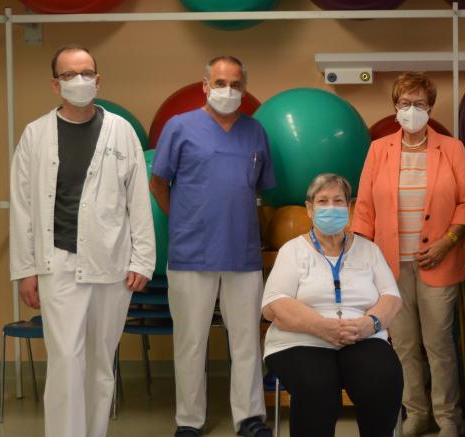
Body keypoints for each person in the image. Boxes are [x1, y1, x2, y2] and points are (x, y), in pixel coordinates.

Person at [10, 45, 155, 437]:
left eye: (86, 72)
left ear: (98, 79)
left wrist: (143, 260)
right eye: (70, 75)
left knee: (100, 363)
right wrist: (25, 271)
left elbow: (138, 199)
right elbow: (22, 206)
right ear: (56, 84)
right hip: (57, 263)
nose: (80, 81)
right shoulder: (35, 135)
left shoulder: (121, 131)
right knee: (65, 361)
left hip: (111, 261)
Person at [149, 56, 275, 437]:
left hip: (242, 253)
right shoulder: (179, 127)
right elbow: (158, 184)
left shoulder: (255, 131)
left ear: (245, 87)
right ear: (205, 85)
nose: (228, 91)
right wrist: (185, 220)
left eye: (236, 84)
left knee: (246, 341)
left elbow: (258, 189)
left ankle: (250, 418)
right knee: (190, 342)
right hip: (191, 254)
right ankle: (189, 420)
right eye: (220, 82)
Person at [353, 72, 465, 437]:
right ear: (395, 108)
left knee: (439, 344)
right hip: (390, 266)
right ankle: (416, 413)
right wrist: (363, 260)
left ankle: (448, 418)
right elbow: (363, 208)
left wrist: (448, 240)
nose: (412, 110)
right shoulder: (379, 150)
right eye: (406, 103)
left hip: (438, 263)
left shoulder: (451, 149)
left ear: (430, 108)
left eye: (420, 104)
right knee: (404, 345)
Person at [262, 173, 403, 437]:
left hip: (359, 336)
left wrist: (368, 324)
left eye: (338, 201)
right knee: (318, 390)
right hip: (300, 340)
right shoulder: (292, 251)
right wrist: (322, 327)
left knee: (383, 380)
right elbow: (274, 304)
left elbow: (391, 297)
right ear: (309, 208)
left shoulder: (369, 250)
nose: (331, 207)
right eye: (322, 201)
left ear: (349, 207)